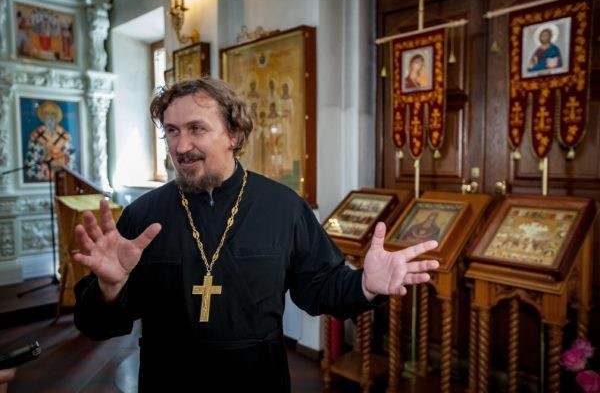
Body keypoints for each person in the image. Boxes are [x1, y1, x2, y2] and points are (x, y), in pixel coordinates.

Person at [72, 76, 439, 392]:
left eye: (196, 129)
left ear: (233, 134)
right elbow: (96, 326)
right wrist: (109, 288)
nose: (181, 146)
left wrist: (365, 285)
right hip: (168, 378)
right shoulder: (143, 215)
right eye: (171, 130)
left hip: (257, 379)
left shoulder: (283, 207)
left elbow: (320, 286)